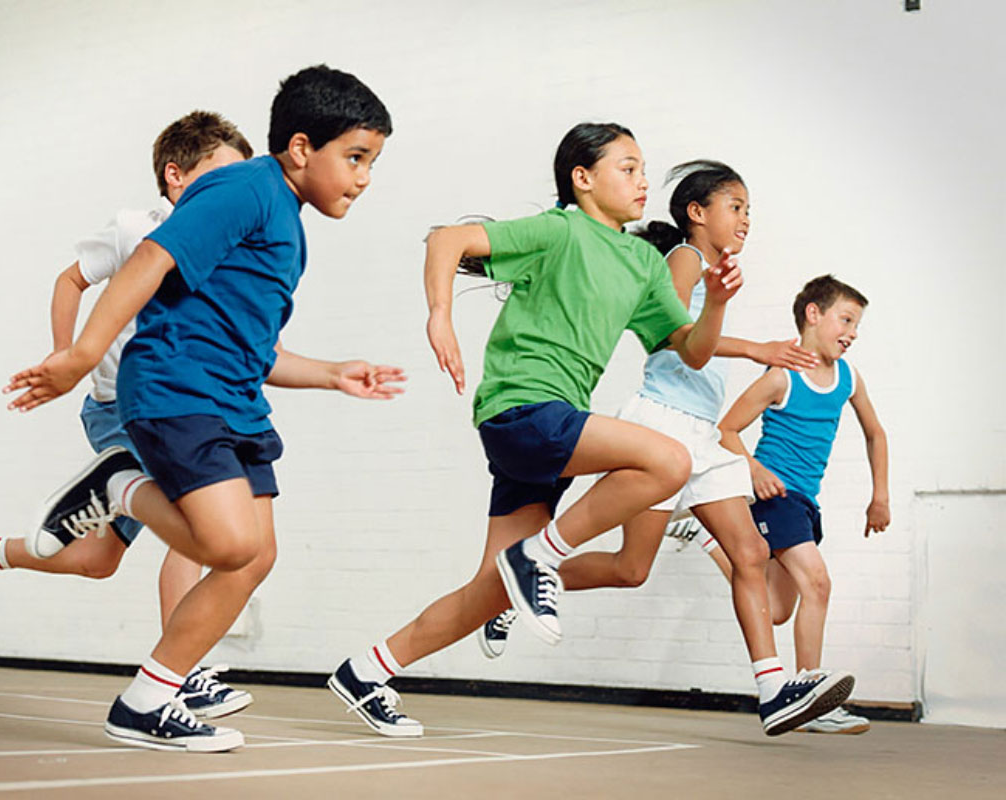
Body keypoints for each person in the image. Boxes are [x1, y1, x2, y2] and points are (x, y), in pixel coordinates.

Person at [3, 64, 397, 753]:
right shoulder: (245, 186)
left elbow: (259, 349)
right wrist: (80, 352)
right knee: (227, 543)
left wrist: (335, 373)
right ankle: (118, 486)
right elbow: (150, 259)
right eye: (355, 157)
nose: (363, 177)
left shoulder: (289, 228)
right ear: (301, 148)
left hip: (235, 400)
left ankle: (146, 702)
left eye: (372, 162)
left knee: (253, 557)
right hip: (177, 386)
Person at [327, 122, 744, 738]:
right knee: (669, 462)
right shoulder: (559, 229)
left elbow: (692, 351)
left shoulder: (641, 262)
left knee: (489, 591)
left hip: (551, 426)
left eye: (642, 169)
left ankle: (366, 671)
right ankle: (539, 558)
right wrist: (439, 315)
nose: (642, 181)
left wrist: (715, 304)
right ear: (583, 179)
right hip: (522, 407)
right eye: (626, 168)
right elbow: (446, 240)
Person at [474, 161, 854, 736]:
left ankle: (773, 690)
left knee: (748, 555)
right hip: (667, 424)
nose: (746, 219)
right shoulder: (684, 259)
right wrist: (755, 349)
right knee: (632, 570)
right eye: (736, 206)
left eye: (749, 209)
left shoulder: (715, 270)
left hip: (703, 433)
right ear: (697, 214)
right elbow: (676, 340)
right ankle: (509, 589)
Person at [0, 111, 256, 718]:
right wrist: (67, 354)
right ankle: (183, 675)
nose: (238, 189)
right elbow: (69, 280)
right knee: (200, 526)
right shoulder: (138, 227)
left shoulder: (225, 238)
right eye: (224, 174)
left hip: (186, 408)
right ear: (176, 176)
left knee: (96, 559)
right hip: (126, 406)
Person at [718, 274, 889, 735]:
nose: (852, 332)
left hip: (805, 503)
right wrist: (753, 469)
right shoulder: (780, 376)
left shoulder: (848, 378)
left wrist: (880, 495)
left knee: (776, 610)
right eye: (846, 319)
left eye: (857, 325)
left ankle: (713, 545)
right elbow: (726, 430)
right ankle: (812, 698)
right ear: (814, 314)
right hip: (776, 498)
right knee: (818, 582)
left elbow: (876, 433)